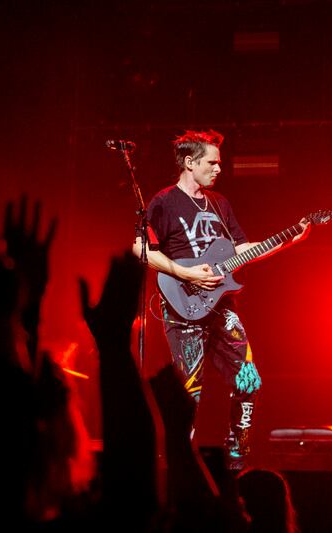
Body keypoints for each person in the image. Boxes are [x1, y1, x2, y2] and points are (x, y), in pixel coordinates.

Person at [132, 129, 308, 469]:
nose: (218, 169)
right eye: (211, 162)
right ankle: (179, 462)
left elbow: (240, 250)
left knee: (249, 379)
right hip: (183, 304)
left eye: (219, 163)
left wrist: (288, 240)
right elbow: (140, 248)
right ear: (189, 162)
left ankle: (237, 456)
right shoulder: (164, 201)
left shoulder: (220, 203)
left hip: (222, 306)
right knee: (189, 395)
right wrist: (186, 273)